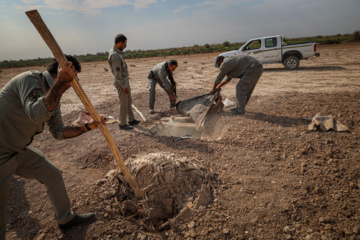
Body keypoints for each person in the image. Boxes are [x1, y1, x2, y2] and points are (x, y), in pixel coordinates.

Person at [0, 56, 104, 238]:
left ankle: (65, 219)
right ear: (61, 72)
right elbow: (36, 114)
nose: (73, 85)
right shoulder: (30, 80)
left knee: (53, 175)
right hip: (1, 151)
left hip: (18, 150)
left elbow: (58, 131)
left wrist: (87, 127)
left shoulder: (53, 94)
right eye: (72, 78)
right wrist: (60, 83)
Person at [108, 34, 140, 130]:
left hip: (124, 81)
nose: (125, 47)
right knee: (123, 103)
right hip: (121, 82)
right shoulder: (114, 55)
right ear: (120, 43)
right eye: (124, 44)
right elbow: (118, 74)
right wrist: (124, 86)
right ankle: (122, 123)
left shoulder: (117, 53)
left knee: (128, 101)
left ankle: (131, 120)